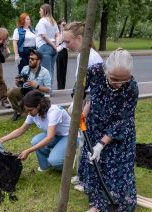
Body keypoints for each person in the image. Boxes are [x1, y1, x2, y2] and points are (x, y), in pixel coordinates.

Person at [77, 49, 138, 212]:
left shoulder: (131, 88)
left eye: (124, 80)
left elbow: (122, 120)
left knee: (118, 170)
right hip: (95, 126)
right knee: (96, 166)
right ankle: (97, 203)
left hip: (119, 134)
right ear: (106, 70)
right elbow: (80, 89)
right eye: (114, 79)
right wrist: (80, 109)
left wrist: (101, 144)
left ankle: (118, 207)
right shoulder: (94, 71)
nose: (119, 83)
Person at [62, 21, 103, 191]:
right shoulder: (82, 55)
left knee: (88, 142)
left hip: (93, 107)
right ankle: (81, 175)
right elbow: (82, 85)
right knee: (82, 143)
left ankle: (87, 180)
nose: (66, 45)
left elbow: (95, 91)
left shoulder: (92, 58)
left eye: (68, 41)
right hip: (85, 103)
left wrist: (84, 112)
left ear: (79, 38)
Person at [0, 90, 70, 171]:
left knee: (55, 160)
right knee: (35, 141)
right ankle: (46, 166)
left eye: (30, 110)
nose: (28, 113)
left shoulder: (53, 112)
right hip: (56, 134)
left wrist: (28, 151)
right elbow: (21, 129)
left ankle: (65, 164)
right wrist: (2, 140)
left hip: (69, 136)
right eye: (27, 110)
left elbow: (50, 138)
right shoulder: (33, 113)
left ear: (38, 105)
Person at [7, 49, 51, 121]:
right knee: (10, 91)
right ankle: (19, 111)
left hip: (37, 96)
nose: (30, 60)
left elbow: (49, 90)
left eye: (32, 59)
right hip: (25, 92)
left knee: (30, 99)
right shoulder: (25, 68)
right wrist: (17, 82)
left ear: (39, 61)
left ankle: (28, 112)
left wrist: (37, 86)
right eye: (29, 58)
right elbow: (19, 85)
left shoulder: (45, 72)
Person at [35, 4, 58, 88]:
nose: (39, 11)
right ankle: (49, 89)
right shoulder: (53, 21)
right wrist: (56, 45)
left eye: (40, 10)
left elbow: (43, 36)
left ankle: (46, 91)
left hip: (44, 47)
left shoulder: (42, 21)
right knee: (51, 69)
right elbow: (58, 35)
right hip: (53, 49)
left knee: (44, 70)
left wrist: (53, 45)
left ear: (44, 10)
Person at [55, 19, 68, 90]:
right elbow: (57, 43)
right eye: (63, 25)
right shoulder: (58, 34)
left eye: (65, 24)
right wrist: (63, 33)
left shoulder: (66, 33)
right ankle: (60, 87)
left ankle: (63, 86)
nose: (64, 26)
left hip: (65, 51)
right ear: (59, 25)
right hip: (60, 51)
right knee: (59, 70)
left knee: (64, 70)